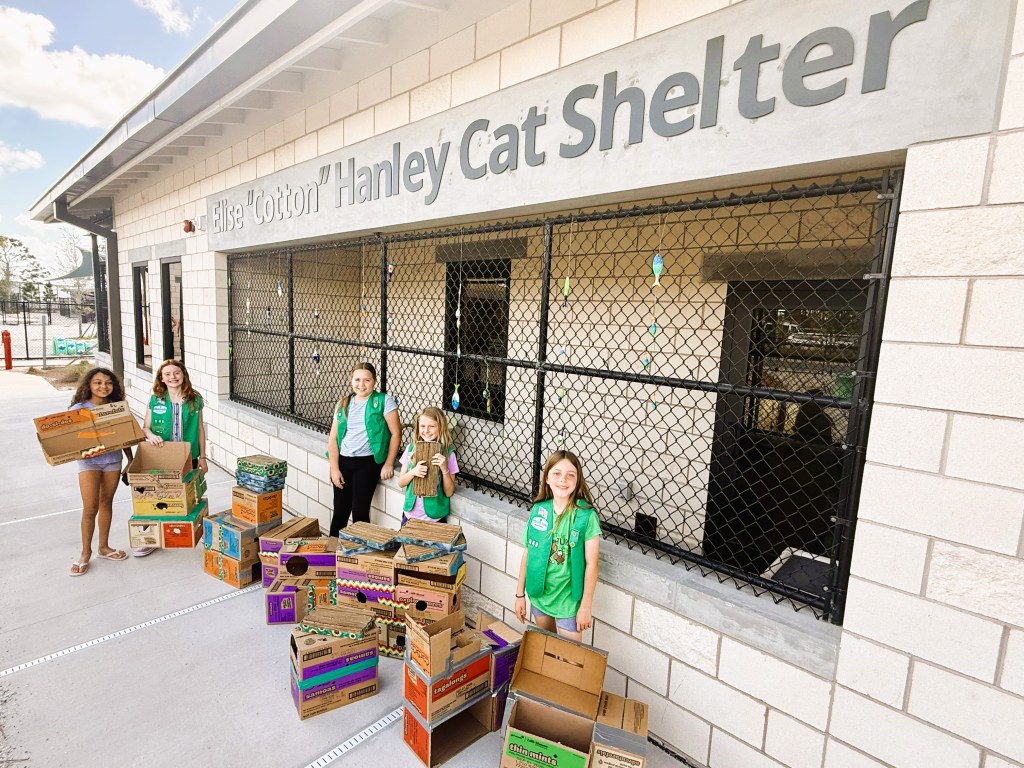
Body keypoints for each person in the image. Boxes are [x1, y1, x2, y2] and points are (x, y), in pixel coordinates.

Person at [514, 450, 601, 641]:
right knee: (547, 650)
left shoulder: (586, 515)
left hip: (569, 601)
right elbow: (528, 553)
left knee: (570, 660)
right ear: (546, 478)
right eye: (556, 473)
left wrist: (586, 606)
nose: (563, 479)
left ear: (577, 480)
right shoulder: (539, 510)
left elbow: (592, 564)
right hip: (540, 594)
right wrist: (519, 594)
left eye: (571, 475)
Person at [67, 368, 135, 576]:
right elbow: (68, 438)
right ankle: (85, 553)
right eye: (98, 382)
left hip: (113, 461)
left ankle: (103, 548)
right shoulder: (78, 408)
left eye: (108, 383)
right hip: (89, 463)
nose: (103, 386)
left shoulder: (117, 408)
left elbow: (125, 435)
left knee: (106, 502)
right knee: (90, 507)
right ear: (88, 385)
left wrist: (130, 459)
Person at [140, 359, 208, 556]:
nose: (172, 377)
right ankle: (152, 537)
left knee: (192, 493)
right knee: (159, 495)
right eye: (167, 374)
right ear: (161, 378)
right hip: (164, 455)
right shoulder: (156, 399)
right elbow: (146, 427)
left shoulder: (195, 399)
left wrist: (203, 457)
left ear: (183, 375)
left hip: (189, 455)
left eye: (176, 373)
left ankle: (198, 529)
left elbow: (200, 430)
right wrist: (151, 436)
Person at [327, 362, 400, 535]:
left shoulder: (383, 401)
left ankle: (359, 558)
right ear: (350, 380)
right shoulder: (343, 403)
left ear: (374, 381)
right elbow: (333, 438)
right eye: (357, 379)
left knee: (359, 512)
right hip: (344, 462)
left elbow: (396, 434)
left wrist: (389, 463)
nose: (361, 384)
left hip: (367, 463)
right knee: (339, 513)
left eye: (366, 380)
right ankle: (332, 556)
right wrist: (334, 469)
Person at [396, 407, 458, 524]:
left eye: (432, 426)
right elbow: (401, 482)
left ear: (441, 427)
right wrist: (413, 472)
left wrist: (444, 468)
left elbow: (449, 492)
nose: (426, 430)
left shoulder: (449, 454)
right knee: (406, 543)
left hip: (434, 518)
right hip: (410, 515)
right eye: (422, 426)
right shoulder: (411, 449)